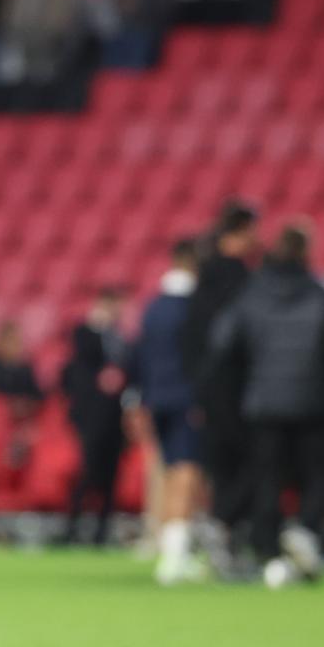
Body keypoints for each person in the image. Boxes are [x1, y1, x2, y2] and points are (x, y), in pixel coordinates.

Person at [209, 224, 324, 579]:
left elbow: (222, 344)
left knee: (267, 479)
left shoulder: (251, 293)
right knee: (319, 475)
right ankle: (305, 531)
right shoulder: (322, 295)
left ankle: (268, 550)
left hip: (263, 403)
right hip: (313, 401)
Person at [181, 199, 260, 571]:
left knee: (222, 465)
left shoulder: (204, 277)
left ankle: (222, 530)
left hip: (210, 388)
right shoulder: (238, 278)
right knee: (247, 462)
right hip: (235, 387)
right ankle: (224, 526)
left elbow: (192, 338)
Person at [130, 239, 205, 584]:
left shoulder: (152, 308)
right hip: (186, 400)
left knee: (169, 470)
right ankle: (173, 556)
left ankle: (173, 548)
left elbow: (138, 359)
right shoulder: (193, 307)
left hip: (156, 399)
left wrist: (137, 402)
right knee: (185, 475)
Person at [61, 286, 129, 545]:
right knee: (88, 470)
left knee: (111, 473)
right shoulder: (85, 333)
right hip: (90, 415)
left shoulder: (120, 338)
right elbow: (83, 359)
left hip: (113, 415)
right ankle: (74, 526)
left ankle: (102, 529)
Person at [0, 318, 42, 472]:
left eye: (16, 340)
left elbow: (37, 394)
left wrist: (26, 404)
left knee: (28, 433)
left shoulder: (25, 367)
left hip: (21, 419)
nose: (13, 344)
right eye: (9, 340)